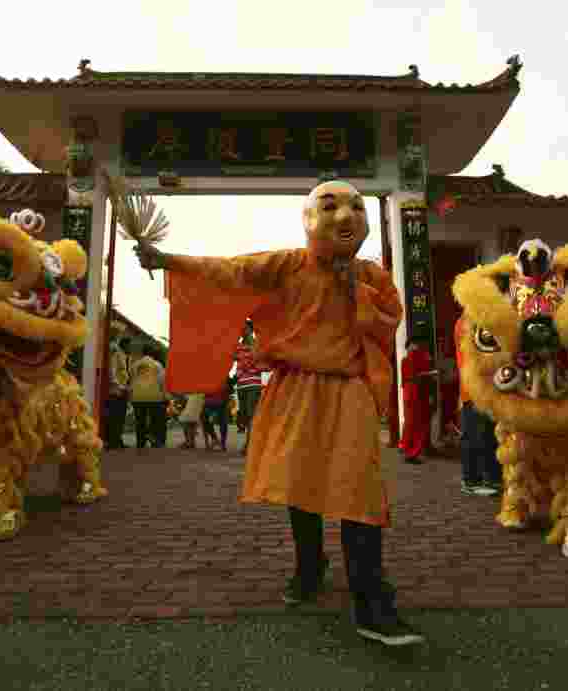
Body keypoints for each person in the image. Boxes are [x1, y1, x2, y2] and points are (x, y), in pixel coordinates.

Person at [135, 179, 423, 646]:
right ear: (310, 218)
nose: (345, 216)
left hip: (348, 390)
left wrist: (358, 295)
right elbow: (230, 272)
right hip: (294, 388)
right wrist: (168, 260)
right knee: (300, 484)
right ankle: (310, 567)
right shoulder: (289, 264)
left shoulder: (371, 276)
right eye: (330, 207)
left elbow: (388, 320)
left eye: (355, 207)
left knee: (360, 492)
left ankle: (373, 602)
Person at [455, 314, 500, 497]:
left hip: (484, 388)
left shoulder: (478, 321)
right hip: (473, 389)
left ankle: (489, 477)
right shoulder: (466, 323)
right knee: (474, 436)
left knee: (487, 435)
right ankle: (471, 480)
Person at [397, 339, 434, 464]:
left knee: (411, 421)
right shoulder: (411, 358)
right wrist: (430, 373)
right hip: (414, 391)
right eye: (414, 345)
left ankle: (407, 447)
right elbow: (417, 374)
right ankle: (410, 451)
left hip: (409, 391)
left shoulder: (406, 360)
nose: (416, 346)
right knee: (414, 422)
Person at [235, 319, 267, 454]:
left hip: (253, 383)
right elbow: (233, 359)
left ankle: (249, 445)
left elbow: (263, 363)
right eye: (241, 328)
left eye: (245, 328)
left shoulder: (257, 344)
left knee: (251, 415)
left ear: (251, 329)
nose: (242, 330)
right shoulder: (238, 346)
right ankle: (252, 443)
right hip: (241, 384)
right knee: (244, 417)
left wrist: (248, 364)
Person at [129, 343, 168, 448]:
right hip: (154, 396)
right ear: (152, 353)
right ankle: (154, 441)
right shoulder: (157, 365)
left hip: (137, 396)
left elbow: (132, 379)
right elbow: (161, 381)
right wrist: (164, 395)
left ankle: (140, 442)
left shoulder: (135, 364)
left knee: (140, 421)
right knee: (155, 420)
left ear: (143, 352)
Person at [105, 336, 132, 449]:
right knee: (115, 416)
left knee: (120, 417)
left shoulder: (124, 355)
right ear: (124, 345)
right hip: (116, 390)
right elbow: (112, 371)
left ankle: (118, 440)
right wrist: (119, 386)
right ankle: (113, 441)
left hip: (123, 389)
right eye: (129, 345)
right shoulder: (116, 353)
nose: (131, 348)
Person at [201, 377, 231, 452]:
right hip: (209, 402)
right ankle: (215, 439)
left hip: (221, 402)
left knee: (223, 423)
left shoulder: (224, 376)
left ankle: (222, 444)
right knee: (205, 421)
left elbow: (229, 388)